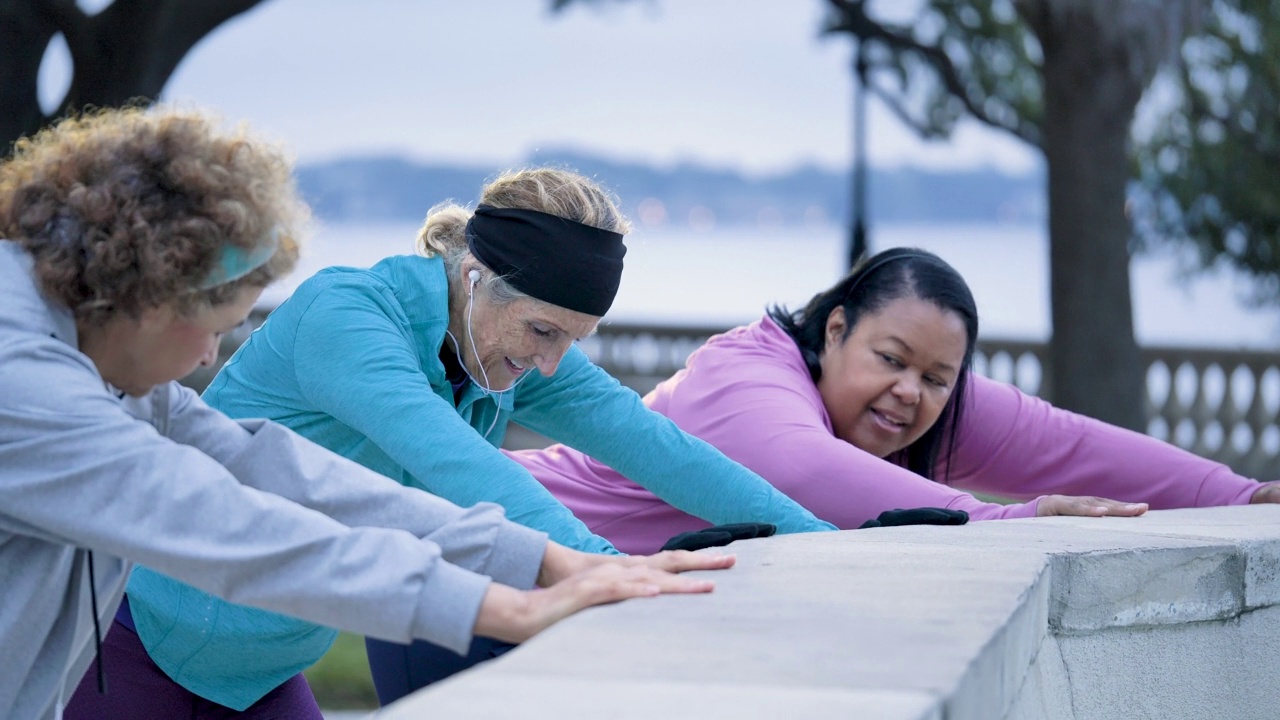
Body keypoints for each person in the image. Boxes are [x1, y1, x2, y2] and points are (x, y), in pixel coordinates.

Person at [0, 107, 733, 720]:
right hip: (140, 653)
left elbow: (275, 468)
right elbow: (226, 521)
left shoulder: (98, 358)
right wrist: (509, 609)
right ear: (147, 298)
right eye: (213, 325)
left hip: (249, 670)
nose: (206, 358)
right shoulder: (27, 387)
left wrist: (548, 561)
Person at [117, 166, 838, 711]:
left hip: (269, 663)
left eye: (574, 339)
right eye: (543, 332)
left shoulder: (500, 340)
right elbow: (465, 471)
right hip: (143, 638)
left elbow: (658, 446)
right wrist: (612, 572)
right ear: (473, 275)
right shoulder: (347, 318)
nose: (550, 362)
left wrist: (825, 543)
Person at [510, 246, 1280, 555]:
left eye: (938, 378)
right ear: (836, 327)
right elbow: (800, 472)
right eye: (891, 359)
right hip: (497, 557)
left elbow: (1070, 447)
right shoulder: (744, 378)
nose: (911, 391)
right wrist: (1004, 520)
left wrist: (1244, 497)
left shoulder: (913, 398)